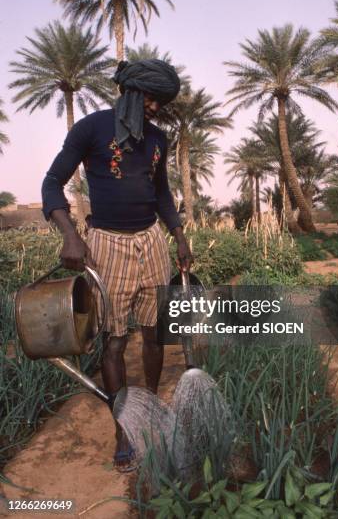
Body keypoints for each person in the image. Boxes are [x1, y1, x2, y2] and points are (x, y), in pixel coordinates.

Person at [41, 59, 194, 471]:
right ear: (130, 92)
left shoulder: (157, 139)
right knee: (114, 341)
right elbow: (51, 183)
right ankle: (123, 427)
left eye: (161, 102)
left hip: (151, 242)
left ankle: (152, 407)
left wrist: (178, 236)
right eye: (151, 99)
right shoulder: (92, 128)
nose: (156, 108)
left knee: (154, 335)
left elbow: (161, 194)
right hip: (106, 244)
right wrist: (70, 234)